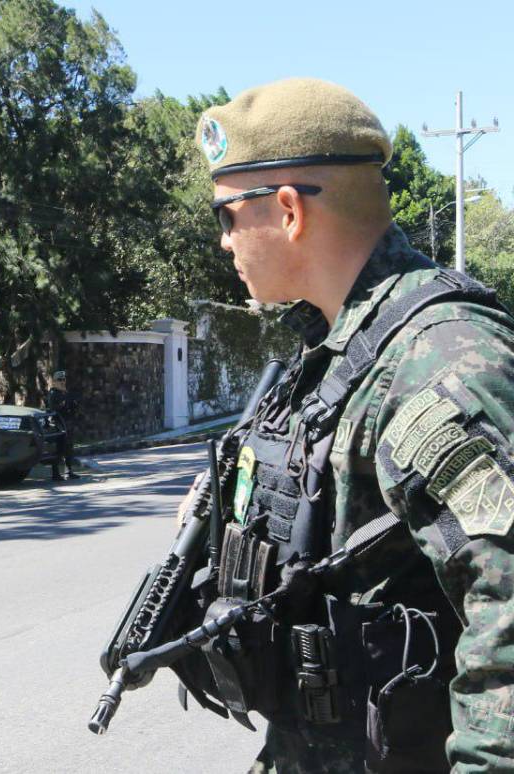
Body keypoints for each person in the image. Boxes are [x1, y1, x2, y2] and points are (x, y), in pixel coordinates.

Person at [183, 78, 514, 772]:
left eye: (225, 216)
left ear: (288, 211)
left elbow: (507, 605)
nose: (223, 243)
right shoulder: (336, 352)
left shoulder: (439, 359)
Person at [46, 370, 82, 480]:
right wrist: (63, 404)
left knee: (69, 448)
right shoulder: (53, 394)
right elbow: (53, 409)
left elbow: (73, 407)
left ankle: (68, 471)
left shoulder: (65, 393)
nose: (62, 382)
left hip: (67, 424)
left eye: (63, 379)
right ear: (54, 382)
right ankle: (55, 473)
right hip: (58, 425)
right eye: (59, 380)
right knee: (59, 448)